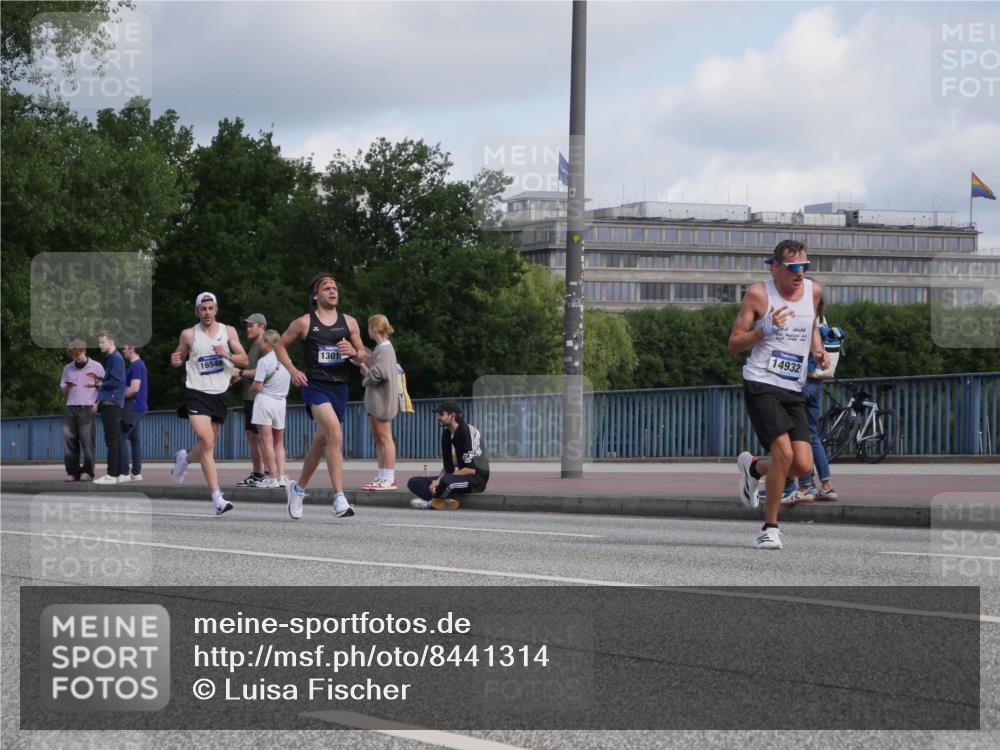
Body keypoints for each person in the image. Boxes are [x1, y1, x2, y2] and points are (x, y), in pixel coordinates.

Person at [728, 240, 829, 550]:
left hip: (793, 385)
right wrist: (763, 329)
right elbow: (733, 343)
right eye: (793, 267)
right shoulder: (759, 294)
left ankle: (754, 468)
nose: (800, 273)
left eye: (804, 267)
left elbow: (810, 321)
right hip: (761, 382)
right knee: (783, 454)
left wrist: (818, 350)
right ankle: (769, 528)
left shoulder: (814, 291)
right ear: (775, 267)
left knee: (800, 465)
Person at [277, 273, 368, 520]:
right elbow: (279, 345)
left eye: (335, 287)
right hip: (315, 386)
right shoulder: (305, 323)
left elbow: (362, 354)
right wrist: (294, 370)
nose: (332, 291)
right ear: (315, 295)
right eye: (326, 288)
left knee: (321, 443)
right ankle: (339, 497)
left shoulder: (349, 322)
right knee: (335, 434)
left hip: (340, 387)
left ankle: (297, 489)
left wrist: (354, 353)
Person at [170, 292, 249, 515]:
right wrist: (176, 359)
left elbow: (245, 359)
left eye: (210, 308)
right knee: (205, 440)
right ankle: (217, 498)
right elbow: (179, 355)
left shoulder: (229, 331)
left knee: (208, 445)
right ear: (197, 311)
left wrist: (228, 355)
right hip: (196, 391)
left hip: (219, 393)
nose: (207, 312)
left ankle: (184, 458)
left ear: (216, 310)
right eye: (202, 309)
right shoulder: (188, 334)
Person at [794, 298, 839, 503]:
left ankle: (806, 485)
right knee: (812, 434)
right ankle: (827, 486)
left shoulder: (803, 317)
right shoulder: (823, 319)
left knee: (798, 436)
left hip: (800, 380)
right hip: (817, 381)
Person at [408, 401, 490, 511]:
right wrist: (437, 480)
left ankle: (431, 501)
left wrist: (440, 481)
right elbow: (447, 467)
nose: (438, 417)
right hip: (455, 476)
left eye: (442, 414)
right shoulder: (446, 434)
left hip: (474, 480)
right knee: (414, 482)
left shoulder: (467, 432)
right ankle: (441, 501)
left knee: (446, 481)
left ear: (452, 416)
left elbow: (471, 470)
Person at [359, 314, 400, 491]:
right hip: (376, 400)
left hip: (382, 400)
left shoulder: (384, 349)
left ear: (374, 328)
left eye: (369, 327)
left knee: (385, 438)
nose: (367, 330)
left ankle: (389, 477)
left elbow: (379, 374)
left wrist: (365, 373)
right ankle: (382, 475)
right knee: (379, 439)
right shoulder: (380, 349)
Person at [248, 329, 291, 489]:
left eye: (263, 341)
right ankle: (281, 476)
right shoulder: (285, 359)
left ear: (267, 343)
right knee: (279, 443)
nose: (260, 343)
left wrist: (253, 386)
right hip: (281, 402)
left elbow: (258, 386)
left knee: (266, 441)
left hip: (265, 401)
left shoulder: (264, 361)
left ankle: (271, 477)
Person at [59, 339, 104, 482]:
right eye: (73, 356)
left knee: (87, 441)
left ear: (84, 351)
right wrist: (67, 387)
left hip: (87, 408)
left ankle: (88, 472)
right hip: (71, 407)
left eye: (78, 354)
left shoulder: (96, 367)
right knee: (69, 441)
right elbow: (63, 390)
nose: (76, 358)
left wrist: (98, 403)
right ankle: (73, 472)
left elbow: (104, 388)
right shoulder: (68, 368)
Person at [233, 313, 268, 488]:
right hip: (249, 397)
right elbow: (251, 370)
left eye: (251, 326)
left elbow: (265, 371)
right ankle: (258, 473)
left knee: (261, 436)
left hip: (259, 397)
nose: (248, 329)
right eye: (247, 326)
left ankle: (268, 472)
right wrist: (237, 378)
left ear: (261, 327)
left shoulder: (264, 345)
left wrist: (239, 373)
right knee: (252, 435)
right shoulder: (253, 346)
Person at [92, 332, 127, 484]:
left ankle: (111, 474)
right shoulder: (114, 358)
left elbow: (116, 381)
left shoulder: (115, 358)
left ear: (111, 342)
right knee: (115, 439)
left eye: (102, 342)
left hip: (111, 403)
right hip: (113, 403)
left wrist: (100, 384)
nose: (100, 345)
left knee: (111, 439)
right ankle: (118, 472)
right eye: (99, 342)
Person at [118, 345, 148, 482]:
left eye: (124, 348)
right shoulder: (139, 365)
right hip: (138, 407)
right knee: (135, 440)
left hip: (133, 408)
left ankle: (124, 472)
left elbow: (134, 389)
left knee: (121, 437)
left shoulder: (136, 366)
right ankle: (136, 472)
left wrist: (117, 394)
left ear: (132, 348)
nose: (122, 350)